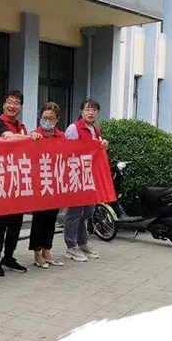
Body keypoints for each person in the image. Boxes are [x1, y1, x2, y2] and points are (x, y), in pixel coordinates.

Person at [0, 91, 41, 277]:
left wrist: (34, 137)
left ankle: (8, 257)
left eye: (17, 103)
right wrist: (30, 137)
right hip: (2, 180)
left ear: (21, 107)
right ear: (3, 104)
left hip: (18, 180)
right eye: (9, 102)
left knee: (16, 222)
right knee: (1, 223)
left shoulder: (22, 127)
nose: (12, 106)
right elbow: (8, 138)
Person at [64, 98, 109, 262]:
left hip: (90, 177)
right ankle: (71, 246)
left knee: (87, 212)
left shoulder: (95, 130)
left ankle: (82, 243)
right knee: (75, 213)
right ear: (81, 112)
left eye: (94, 110)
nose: (91, 113)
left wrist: (103, 143)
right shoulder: (74, 128)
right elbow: (67, 152)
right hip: (77, 176)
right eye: (87, 109)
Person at [30, 102, 65, 268]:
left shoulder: (62, 137)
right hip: (39, 184)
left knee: (51, 218)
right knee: (39, 219)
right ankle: (37, 253)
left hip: (55, 184)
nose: (47, 121)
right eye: (45, 118)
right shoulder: (34, 136)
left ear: (57, 120)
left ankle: (47, 251)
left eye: (51, 118)